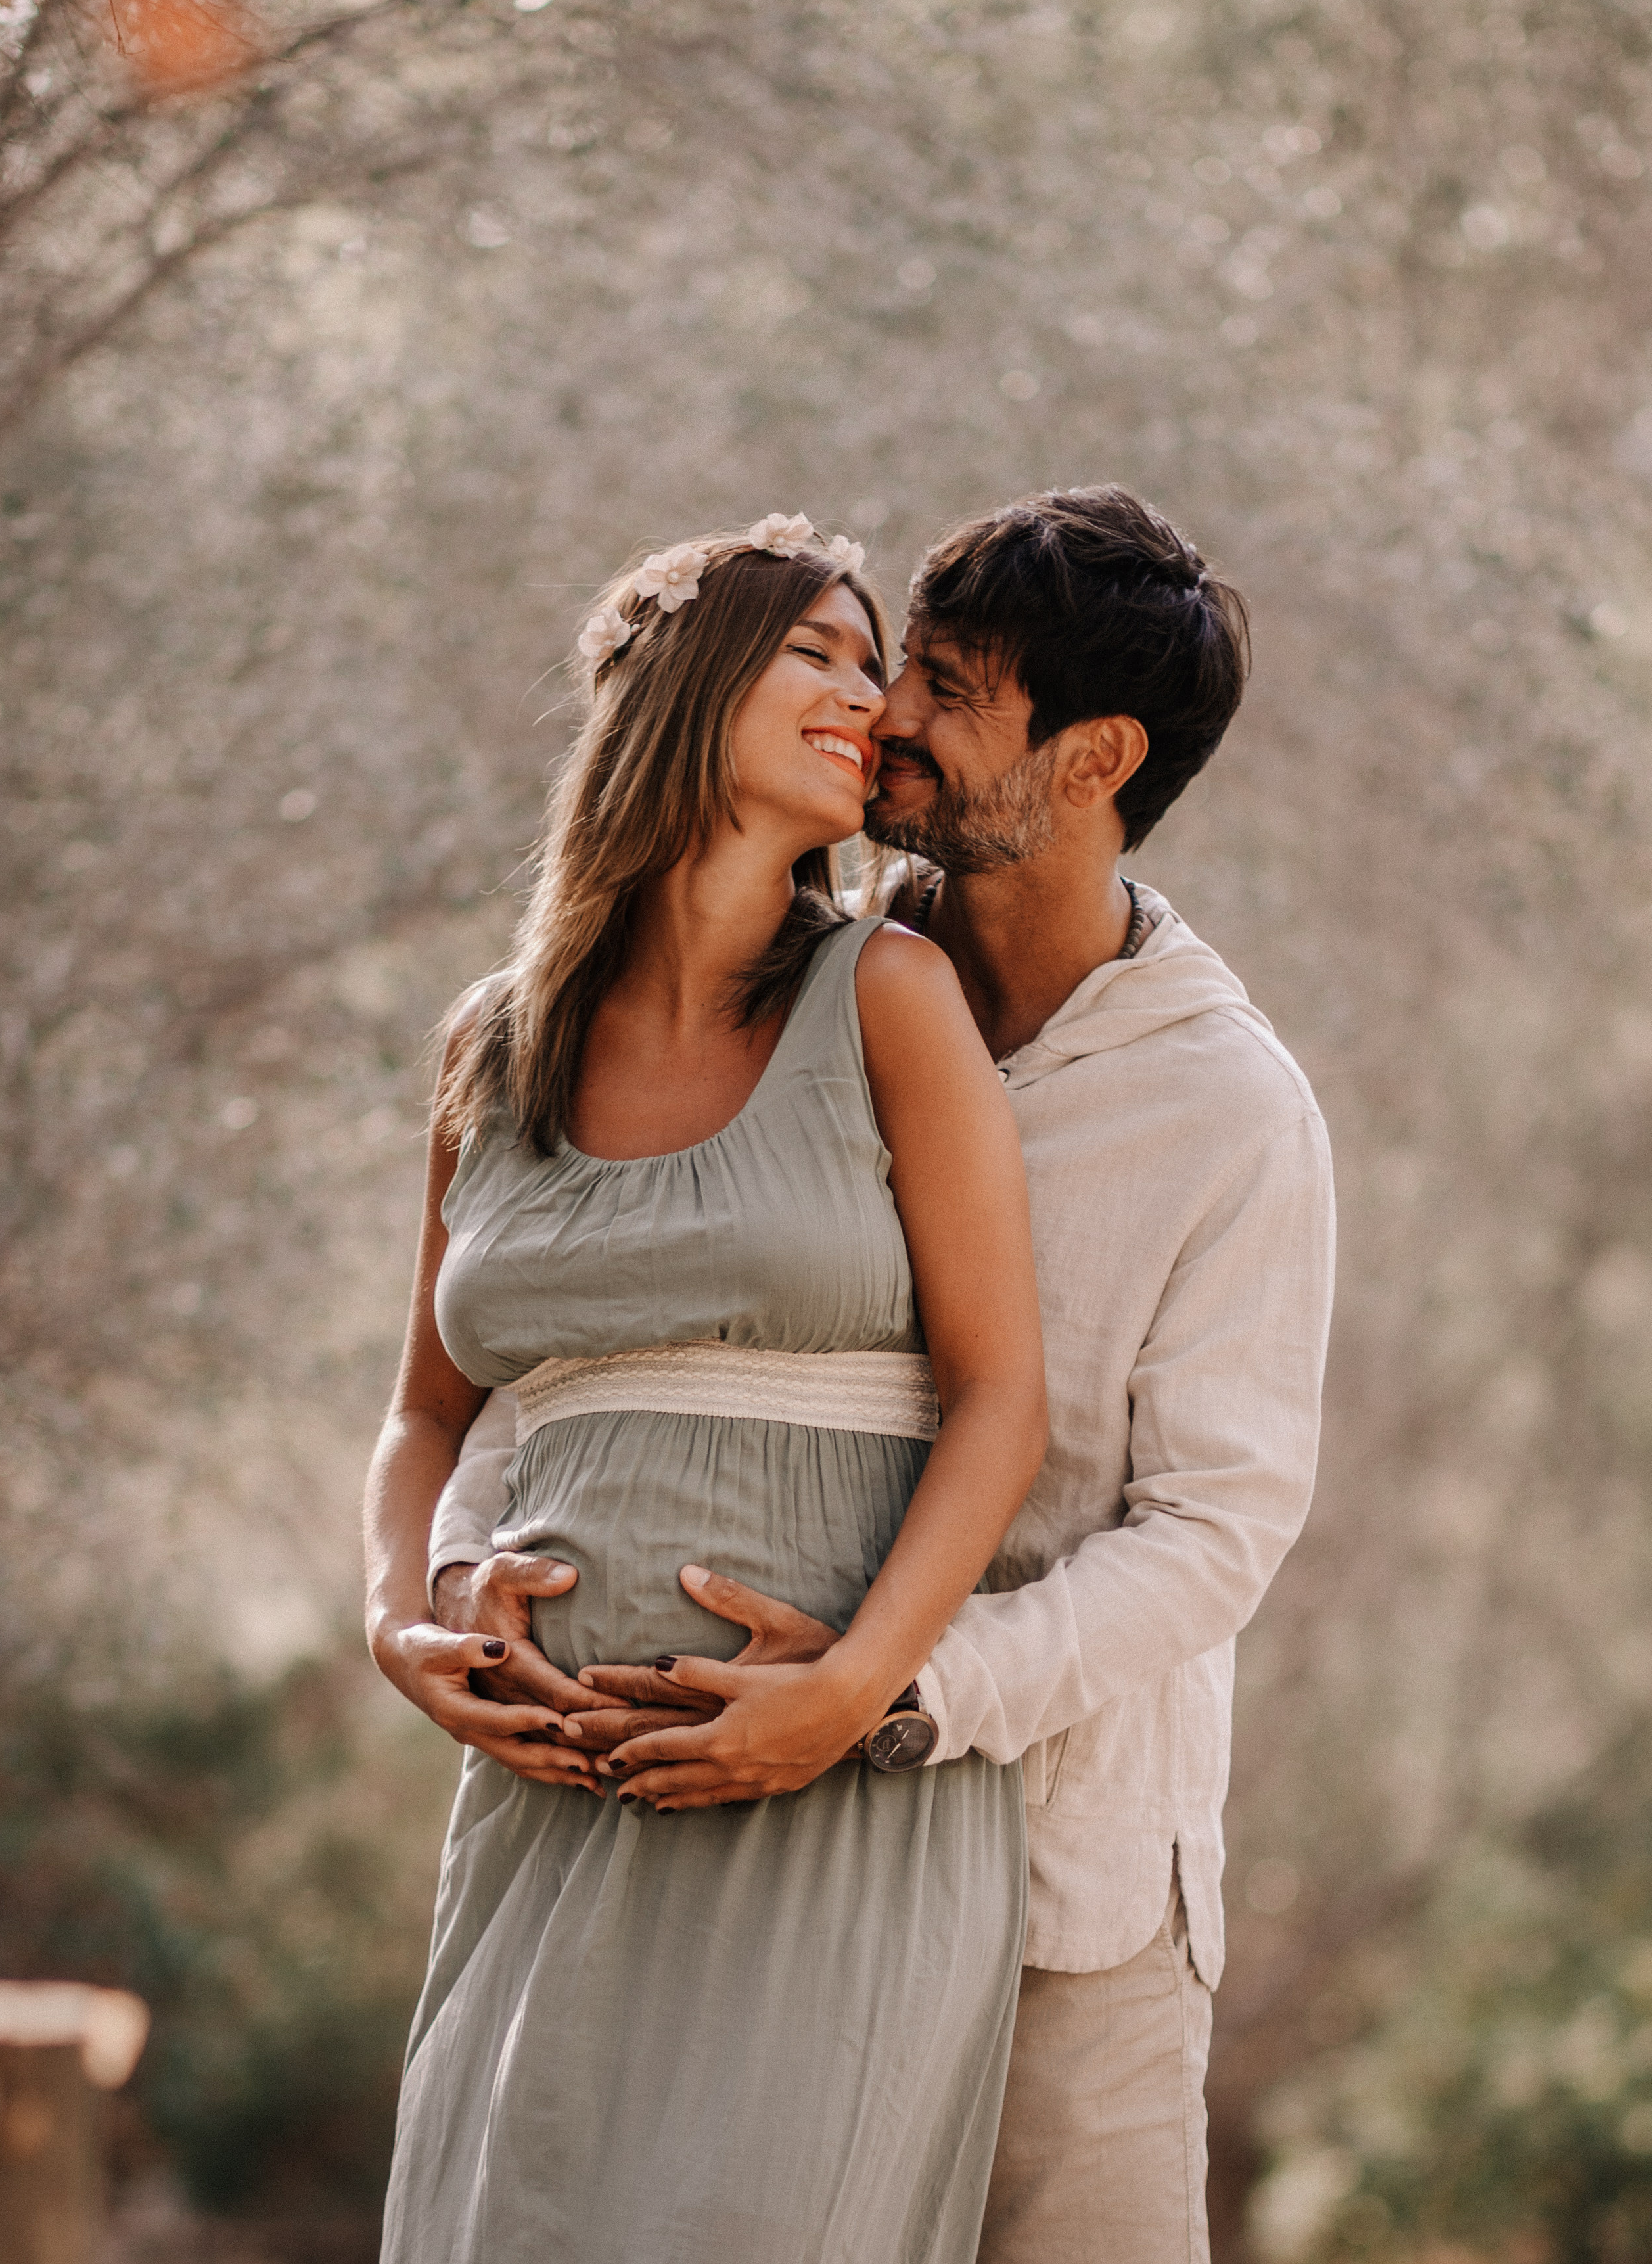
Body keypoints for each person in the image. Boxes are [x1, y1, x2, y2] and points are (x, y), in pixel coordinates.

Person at [432, 487, 1336, 2264]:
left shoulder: (1226, 1108)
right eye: (896, 662)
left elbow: (1215, 1531)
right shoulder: (815, 989)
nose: (889, 715)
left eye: (950, 686)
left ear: (1096, 759)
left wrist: (894, 1691)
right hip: (744, 1852)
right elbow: (589, 1329)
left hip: (1061, 1909)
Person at [363, 517, 1049, 2264]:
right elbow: (430, 1412)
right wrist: (405, 1612)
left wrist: (852, 1692)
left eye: (870, 656)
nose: (867, 691)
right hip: (547, 1796)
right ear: (678, 684)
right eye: (818, 647)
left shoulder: (887, 994)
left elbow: (1000, 1397)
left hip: (821, 1795)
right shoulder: (491, 1051)